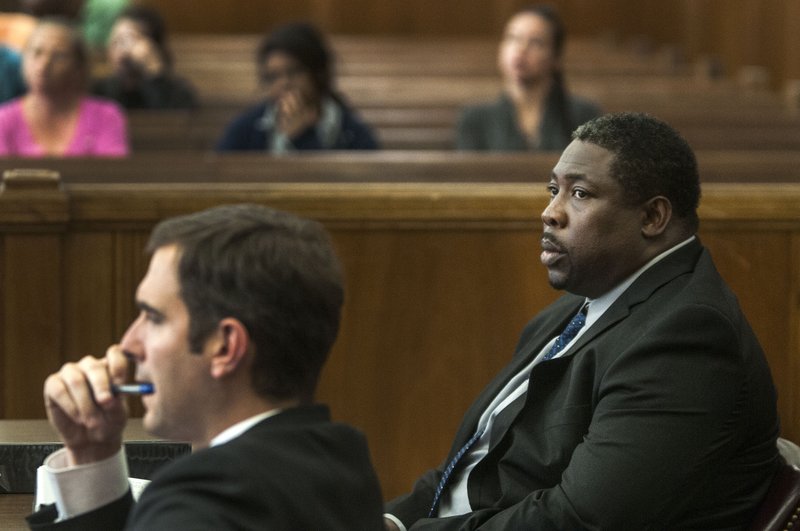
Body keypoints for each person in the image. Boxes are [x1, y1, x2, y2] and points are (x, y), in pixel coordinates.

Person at [385, 112, 780, 530]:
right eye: (553, 189)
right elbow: (477, 460)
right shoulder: (578, 307)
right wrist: (392, 520)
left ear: (652, 218)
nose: (550, 212)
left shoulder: (688, 337)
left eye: (579, 193)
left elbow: (579, 521)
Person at [26, 204, 385, 530]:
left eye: (154, 317)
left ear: (226, 347)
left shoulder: (199, 505)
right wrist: (92, 455)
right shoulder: (342, 463)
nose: (128, 345)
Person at [455, 4, 601, 151]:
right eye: (512, 38)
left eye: (536, 42)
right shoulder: (474, 118)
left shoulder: (584, 115)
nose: (521, 49)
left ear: (556, 57)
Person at [216, 21, 379, 152]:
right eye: (273, 77)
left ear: (318, 72)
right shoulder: (246, 127)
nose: (283, 83)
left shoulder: (352, 132)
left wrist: (302, 138)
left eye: (294, 72)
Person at [0, 17, 128, 156]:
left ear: (79, 66)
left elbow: (113, 174)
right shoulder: (4, 119)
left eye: (58, 56)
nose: (44, 65)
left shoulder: (106, 116)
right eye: (36, 53)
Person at [92, 5, 198, 109]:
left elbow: (169, 121)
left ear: (152, 46)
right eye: (115, 41)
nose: (120, 49)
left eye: (127, 40)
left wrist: (153, 71)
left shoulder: (178, 92)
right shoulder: (100, 92)